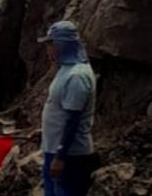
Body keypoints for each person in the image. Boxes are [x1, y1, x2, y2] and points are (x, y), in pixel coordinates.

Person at [37, 21, 98, 196]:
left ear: (62, 45)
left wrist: (60, 157)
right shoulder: (65, 70)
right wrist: (45, 132)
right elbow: (60, 112)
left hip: (71, 157)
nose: (48, 50)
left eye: (51, 44)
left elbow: (73, 120)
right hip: (54, 151)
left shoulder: (77, 76)